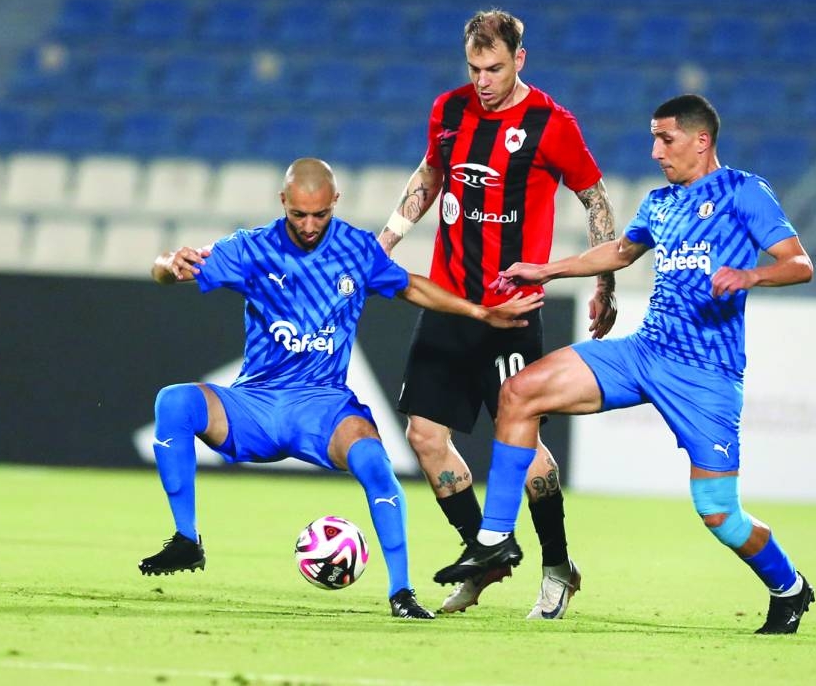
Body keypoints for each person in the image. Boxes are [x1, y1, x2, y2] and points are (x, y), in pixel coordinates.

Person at [435, 94, 816, 634]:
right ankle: (494, 542)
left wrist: (752, 275)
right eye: (654, 138)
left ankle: (790, 587)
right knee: (519, 392)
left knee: (719, 514)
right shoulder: (659, 203)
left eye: (666, 139)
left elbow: (799, 264)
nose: (655, 150)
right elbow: (619, 252)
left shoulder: (744, 192)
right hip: (643, 352)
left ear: (700, 140)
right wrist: (546, 271)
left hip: (705, 375)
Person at [137, 158, 542, 620]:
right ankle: (187, 540)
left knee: (374, 459)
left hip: (323, 408)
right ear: (283, 202)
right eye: (299, 215)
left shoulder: (358, 249)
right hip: (256, 404)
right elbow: (164, 271)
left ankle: (402, 594)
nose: (309, 226)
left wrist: (479, 313)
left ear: (336, 202)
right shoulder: (250, 248)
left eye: (320, 214)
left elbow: (410, 286)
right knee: (174, 401)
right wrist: (170, 263)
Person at [377, 9, 618, 619]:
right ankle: (482, 556)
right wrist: (384, 243)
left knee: (526, 447)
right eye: (474, 68)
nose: (483, 80)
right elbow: (431, 172)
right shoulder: (449, 110)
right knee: (425, 437)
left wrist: (605, 281)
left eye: (495, 67)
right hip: (450, 300)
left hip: (510, 309)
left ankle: (558, 563)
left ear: (520, 60)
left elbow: (595, 198)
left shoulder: (550, 124)